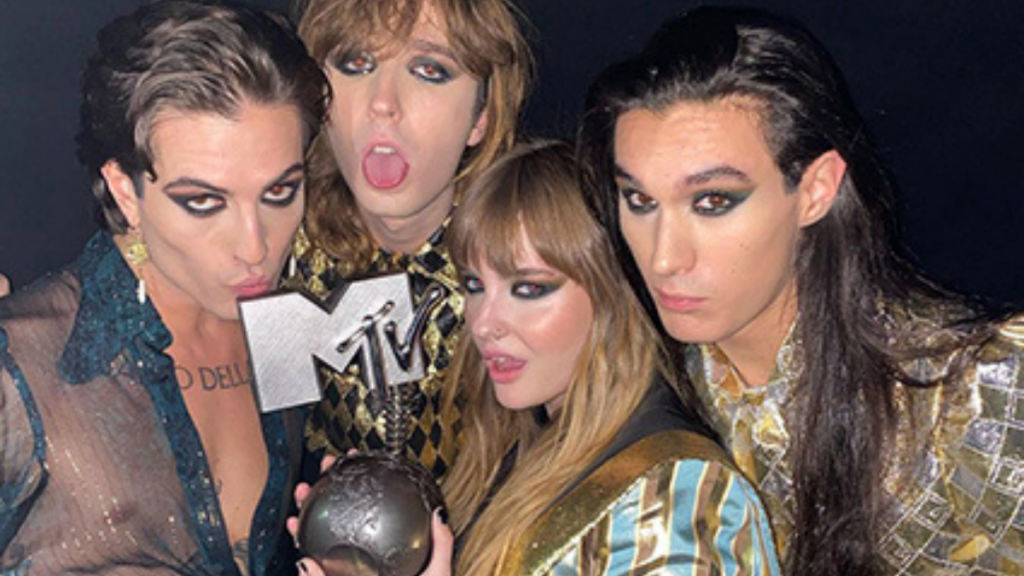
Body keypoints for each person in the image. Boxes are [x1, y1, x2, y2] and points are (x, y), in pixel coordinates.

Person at [578, 6, 1024, 576]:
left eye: (712, 201)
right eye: (639, 201)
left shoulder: (970, 391)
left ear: (815, 190)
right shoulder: (647, 385)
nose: (664, 258)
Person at [0, 2, 327, 573]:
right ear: (125, 191)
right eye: (203, 201)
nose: (255, 247)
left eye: (279, 193)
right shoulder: (21, 365)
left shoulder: (283, 331)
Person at [288, 0, 533, 482]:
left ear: (480, 117)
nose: (383, 102)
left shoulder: (532, 261)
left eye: (429, 70)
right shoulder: (277, 240)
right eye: (356, 63)